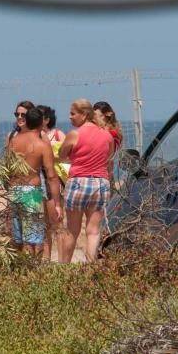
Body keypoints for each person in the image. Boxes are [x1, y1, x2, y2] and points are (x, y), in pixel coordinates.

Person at [58, 99, 114, 263]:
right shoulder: (107, 135)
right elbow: (108, 158)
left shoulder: (75, 134)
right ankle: (91, 268)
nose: (70, 117)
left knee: (72, 231)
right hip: (100, 183)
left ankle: (64, 268)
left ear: (83, 115)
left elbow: (62, 154)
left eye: (73, 114)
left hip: (78, 182)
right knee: (94, 230)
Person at [6, 106, 61, 257]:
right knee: (34, 240)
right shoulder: (41, 145)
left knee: (17, 239)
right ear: (41, 123)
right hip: (31, 193)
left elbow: (7, 168)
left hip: (14, 191)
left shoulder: (13, 141)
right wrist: (56, 203)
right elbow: (51, 176)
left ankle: (19, 271)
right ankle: (32, 273)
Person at [37, 104, 67, 261]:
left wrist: (51, 158)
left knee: (57, 223)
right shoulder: (34, 135)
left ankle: (62, 261)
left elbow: (68, 155)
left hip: (53, 180)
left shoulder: (57, 134)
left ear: (46, 119)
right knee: (45, 225)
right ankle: (47, 259)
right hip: (39, 181)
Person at [93, 101, 124, 186]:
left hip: (101, 175)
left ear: (105, 116)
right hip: (104, 174)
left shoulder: (110, 134)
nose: (93, 118)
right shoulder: (113, 132)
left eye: (96, 115)